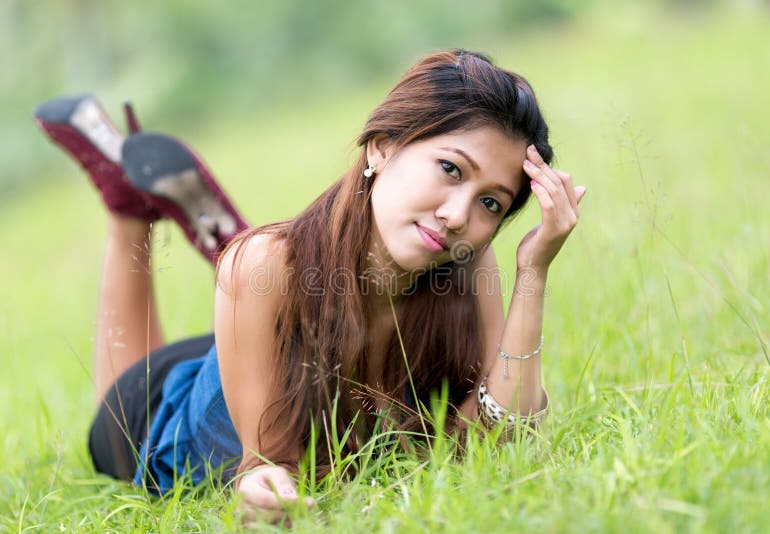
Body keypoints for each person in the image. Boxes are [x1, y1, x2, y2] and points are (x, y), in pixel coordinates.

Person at [34, 49, 586, 517]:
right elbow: (274, 473)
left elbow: (502, 437)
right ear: (383, 146)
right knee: (134, 386)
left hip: (281, 342)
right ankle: (126, 207)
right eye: (450, 169)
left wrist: (533, 273)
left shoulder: (467, 265)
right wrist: (263, 487)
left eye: (491, 202)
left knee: (276, 281)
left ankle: (255, 283)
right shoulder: (267, 269)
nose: (458, 214)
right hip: (170, 412)